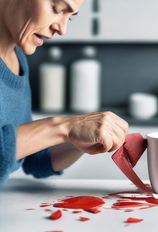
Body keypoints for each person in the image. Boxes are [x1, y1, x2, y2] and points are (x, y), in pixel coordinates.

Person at [0, 0, 128, 185]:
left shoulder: (17, 59)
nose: (62, 29)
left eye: (71, 17)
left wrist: (75, 139)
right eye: (57, 9)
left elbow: (29, 157)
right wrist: (63, 127)